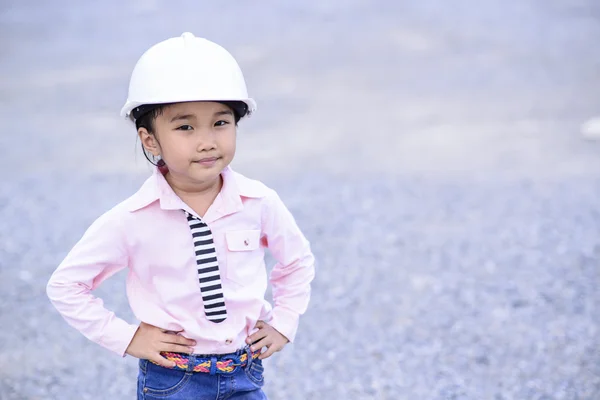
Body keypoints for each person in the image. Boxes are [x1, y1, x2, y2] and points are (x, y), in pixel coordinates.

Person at [46, 32, 315, 399]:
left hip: (244, 372)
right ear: (150, 140)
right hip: (173, 380)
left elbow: (297, 261)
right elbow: (66, 286)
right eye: (185, 127)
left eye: (220, 123)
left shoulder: (260, 202)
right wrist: (127, 338)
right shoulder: (132, 219)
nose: (207, 141)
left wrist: (284, 321)